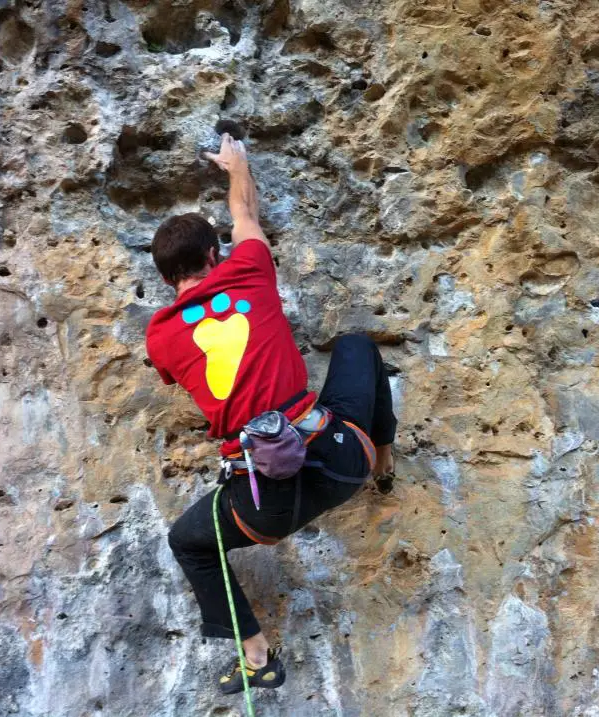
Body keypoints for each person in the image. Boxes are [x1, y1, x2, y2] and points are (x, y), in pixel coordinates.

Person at [144, 133, 397, 695]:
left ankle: (257, 657)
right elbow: (245, 213)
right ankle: (384, 463)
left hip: (260, 504)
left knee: (188, 542)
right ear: (216, 256)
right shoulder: (249, 269)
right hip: (339, 458)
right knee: (356, 346)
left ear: (167, 280)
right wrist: (237, 166)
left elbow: (188, 372)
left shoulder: (160, 336)